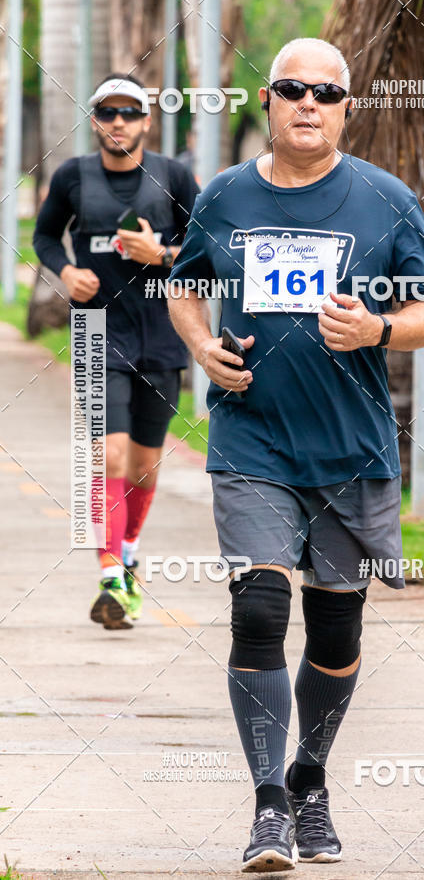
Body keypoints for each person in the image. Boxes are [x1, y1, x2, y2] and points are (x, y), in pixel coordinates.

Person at [167, 38, 424, 873]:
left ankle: (309, 781)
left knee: (335, 630)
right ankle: (265, 808)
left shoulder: (385, 200)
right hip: (251, 438)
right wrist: (202, 349)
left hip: (353, 453)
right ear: (268, 100)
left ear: (346, 108)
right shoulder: (224, 197)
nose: (307, 103)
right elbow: (183, 284)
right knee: (258, 609)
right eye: (291, 88)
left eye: (325, 92)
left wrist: (380, 329)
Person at [33, 73, 200, 630]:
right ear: (96, 120)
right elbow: (42, 237)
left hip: (162, 336)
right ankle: (110, 573)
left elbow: (208, 252)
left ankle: (125, 552)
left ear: (148, 121)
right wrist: (65, 272)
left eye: (130, 113)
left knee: (146, 468)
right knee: (111, 457)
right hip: (97, 335)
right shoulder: (73, 177)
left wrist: (162, 253)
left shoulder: (174, 177)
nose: (119, 123)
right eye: (108, 113)